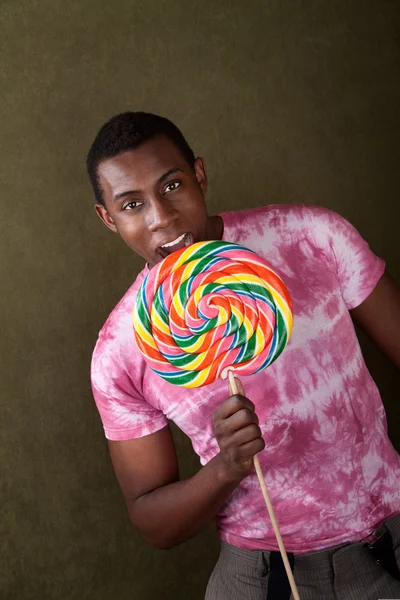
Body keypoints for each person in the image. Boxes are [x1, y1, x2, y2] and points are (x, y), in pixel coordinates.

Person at [87, 111, 400, 599]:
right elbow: (154, 524)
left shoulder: (311, 234)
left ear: (200, 175)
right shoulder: (121, 351)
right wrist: (226, 466)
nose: (160, 218)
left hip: (388, 537)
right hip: (265, 569)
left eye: (172, 186)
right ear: (109, 218)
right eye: (131, 204)